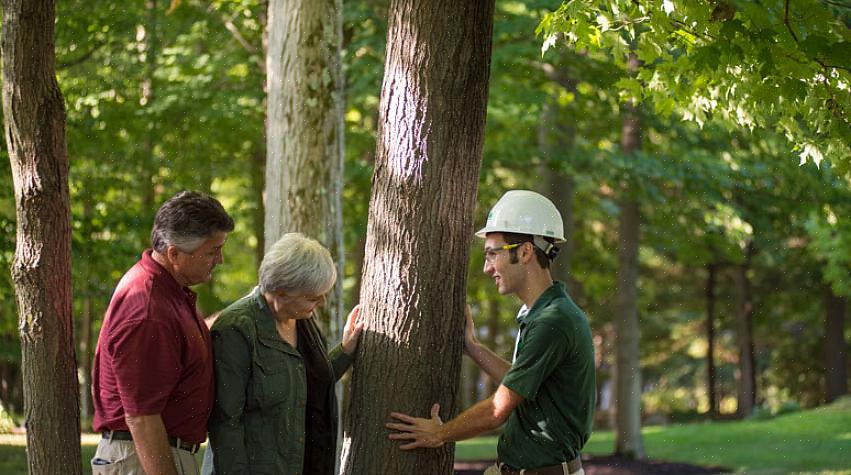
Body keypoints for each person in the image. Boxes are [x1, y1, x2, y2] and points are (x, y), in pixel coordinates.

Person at [387, 190, 595, 475]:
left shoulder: (553, 321)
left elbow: (498, 409)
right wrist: (472, 347)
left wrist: (439, 433)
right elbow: (521, 384)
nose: (487, 268)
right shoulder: (547, 313)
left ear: (525, 252)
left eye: (493, 254)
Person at [91, 190, 235, 475]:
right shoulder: (148, 310)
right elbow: (142, 417)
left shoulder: (167, 292)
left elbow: (179, 347)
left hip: (153, 452)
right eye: (212, 251)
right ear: (174, 253)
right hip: (144, 457)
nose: (219, 260)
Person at [204, 232, 364, 475]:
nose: (321, 302)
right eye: (312, 297)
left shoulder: (302, 321)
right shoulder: (236, 329)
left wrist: (344, 351)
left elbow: (306, 383)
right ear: (281, 293)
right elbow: (226, 423)